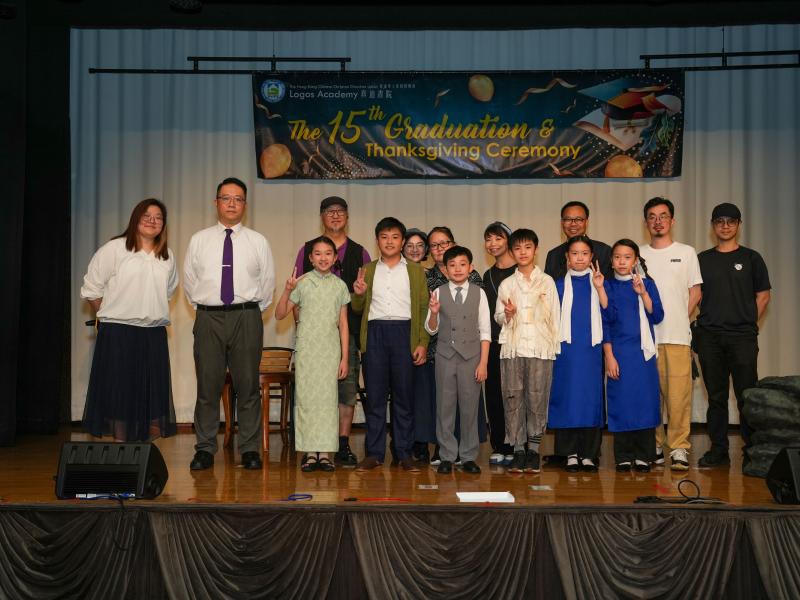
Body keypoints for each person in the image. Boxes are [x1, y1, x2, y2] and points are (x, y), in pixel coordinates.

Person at [183, 177, 276, 471]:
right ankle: (205, 449)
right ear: (216, 203)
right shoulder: (199, 239)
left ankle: (249, 449)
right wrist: (209, 308)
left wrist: (247, 312)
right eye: (226, 198)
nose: (232, 203)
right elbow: (189, 283)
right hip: (209, 316)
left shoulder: (258, 241)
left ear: (245, 205)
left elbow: (268, 284)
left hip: (247, 316)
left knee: (248, 386)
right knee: (207, 386)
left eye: (238, 199)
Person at [80, 198, 178, 442]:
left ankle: (141, 453)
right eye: (146, 215)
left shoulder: (167, 257)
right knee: (120, 393)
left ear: (163, 225)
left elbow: (169, 291)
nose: (152, 221)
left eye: (158, 217)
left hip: (153, 334)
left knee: (148, 393)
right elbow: (91, 290)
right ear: (135, 218)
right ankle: (120, 447)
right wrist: (109, 315)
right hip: (119, 333)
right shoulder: (114, 249)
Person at [293, 196, 370, 467]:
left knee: (346, 390)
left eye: (340, 211)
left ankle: (343, 443)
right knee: (315, 394)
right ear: (321, 216)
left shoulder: (360, 252)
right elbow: (296, 295)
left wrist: (360, 294)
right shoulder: (306, 250)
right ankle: (314, 445)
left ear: (347, 216)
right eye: (329, 211)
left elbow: (364, 296)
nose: (335, 216)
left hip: (347, 334)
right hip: (315, 338)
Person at [695, 202, 771, 468]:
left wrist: (747, 323)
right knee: (715, 397)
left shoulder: (752, 258)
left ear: (739, 224)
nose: (725, 226)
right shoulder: (702, 259)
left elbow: (763, 296)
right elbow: (696, 295)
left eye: (730, 221)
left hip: (742, 338)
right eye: (719, 221)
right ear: (713, 226)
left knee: (746, 395)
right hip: (709, 338)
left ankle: (753, 452)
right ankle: (719, 451)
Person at [352, 217, 430, 472]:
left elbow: (423, 308)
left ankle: (403, 453)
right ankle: (374, 453)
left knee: (403, 397)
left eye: (395, 237)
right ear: (377, 241)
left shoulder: (415, 271)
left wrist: (422, 342)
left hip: (404, 333)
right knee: (374, 397)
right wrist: (359, 294)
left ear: (403, 241)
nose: (389, 241)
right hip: (374, 334)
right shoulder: (368, 268)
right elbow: (357, 308)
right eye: (384, 237)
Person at [276, 237, 350, 472]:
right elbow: (279, 315)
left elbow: (344, 324)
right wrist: (287, 290)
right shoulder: (301, 283)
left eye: (328, 253)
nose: (323, 258)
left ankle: (326, 454)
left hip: (330, 351)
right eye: (318, 253)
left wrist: (345, 358)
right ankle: (309, 453)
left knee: (328, 402)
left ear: (335, 257)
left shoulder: (340, 286)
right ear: (310, 258)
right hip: (308, 351)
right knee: (307, 401)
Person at [640, 197, 702, 471]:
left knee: (678, 397)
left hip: (677, 337)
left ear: (672, 220)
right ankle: (654, 444)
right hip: (646, 340)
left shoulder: (687, 252)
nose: (658, 221)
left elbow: (695, 292)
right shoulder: (637, 255)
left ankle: (678, 448)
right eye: (652, 216)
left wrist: (678, 318)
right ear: (646, 222)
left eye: (663, 216)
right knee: (650, 396)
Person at [494, 228, 561, 474]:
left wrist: (553, 348)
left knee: (537, 398)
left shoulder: (547, 282)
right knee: (513, 398)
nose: (523, 252)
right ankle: (518, 450)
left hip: (540, 350)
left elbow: (556, 316)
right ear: (512, 252)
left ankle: (534, 449)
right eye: (518, 248)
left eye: (528, 247)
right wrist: (507, 315)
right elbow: (498, 316)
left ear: (536, 249)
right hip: (513, 349)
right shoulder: (507, 283)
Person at [425, 245, 490, 475]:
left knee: (470, 407)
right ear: (445, 269)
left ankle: (469, 456)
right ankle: (446, 456)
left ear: (471, 267)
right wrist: (433, 312)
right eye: (452, 265)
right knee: (445, 407)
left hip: (471, 358)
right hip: (444, 357)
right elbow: (431, 330)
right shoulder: (439, 292)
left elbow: (485, 331)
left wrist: (483, 363)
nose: (457, 269)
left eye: (463, 264)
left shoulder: (478, 293)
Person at [603, 239, 664, 472]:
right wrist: (609, 355)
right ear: (611, 260)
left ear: (636, 260)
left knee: (644, 402)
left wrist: (642, 294)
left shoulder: (647, 284)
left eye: (627, 257)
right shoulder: (606, 286)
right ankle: (623, 455)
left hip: (643, 354)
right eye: (617, 257)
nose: (622, 261)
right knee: (622, 402)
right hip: (619, 352)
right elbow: (605, 322)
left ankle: (643, 454)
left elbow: (657, 315)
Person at [549, 236, 608, 472]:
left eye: (585, 253)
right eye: (575, 253)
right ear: (567, 257)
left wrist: (601, 286)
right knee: (567, 399)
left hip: (591, 350)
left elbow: (609, 311)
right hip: (565, 352)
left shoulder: (599, 283)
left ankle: (589, 454)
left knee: (590, 400)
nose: (580, 258)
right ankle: (570, 453)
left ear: (592, 257)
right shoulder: (557, 285)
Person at [482, 221, 516, 466]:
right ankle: (499, 444)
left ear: (509, 240)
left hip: (519, 342)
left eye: (498, 238)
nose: (492, 244)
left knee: (517, 395)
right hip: (495, 343)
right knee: (494, 395)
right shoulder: (488, 275)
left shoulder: (523, 270)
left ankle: (518, 443)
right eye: (488, 239)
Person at [402, 228, 436, 462]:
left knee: (424, 398)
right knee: (403, 397)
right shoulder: (394, 273)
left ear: (426, 250)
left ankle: (422, 443)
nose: (415, 249)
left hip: (429, 345)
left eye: (420, 245)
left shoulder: (434, 276)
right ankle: (402, 442)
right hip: (401, 341)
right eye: (410, 245)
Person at [544, 201, 613, 281]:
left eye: (578, 219)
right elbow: (548, 288)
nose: (573, 224)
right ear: (562, 223)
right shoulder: (553, 255)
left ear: (586, 222)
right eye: (568, 219)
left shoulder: (604, 251)